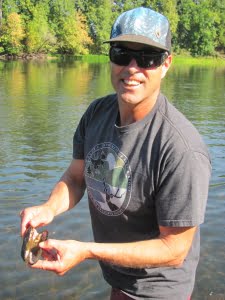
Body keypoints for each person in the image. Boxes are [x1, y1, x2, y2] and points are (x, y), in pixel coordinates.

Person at [20, 7, 211, 300]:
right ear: (110, 59)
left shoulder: (181, 148)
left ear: (166, 64)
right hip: (118, 277)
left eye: (147, 57)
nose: (132, 67)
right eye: (122, 53)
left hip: (160, 290)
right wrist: (49, 208)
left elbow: (174, 250)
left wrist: (86, 251)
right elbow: (75, 178)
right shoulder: (97, 113)